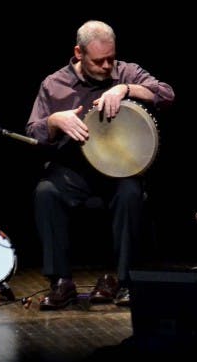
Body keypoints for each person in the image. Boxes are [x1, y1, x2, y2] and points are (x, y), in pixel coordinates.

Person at [26, 20, 175, 310]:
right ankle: (61, 282)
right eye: (99, 61)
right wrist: (54, 121)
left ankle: (123, 281)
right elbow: (33, 132)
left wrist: (125, 89)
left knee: (131, 193)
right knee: (46, 193)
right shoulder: (54, 84)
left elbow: (166, 94)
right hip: (73, 170)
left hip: (119, 171)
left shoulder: (124, 72)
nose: (107, 66)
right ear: (78, 53)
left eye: (111, 58)